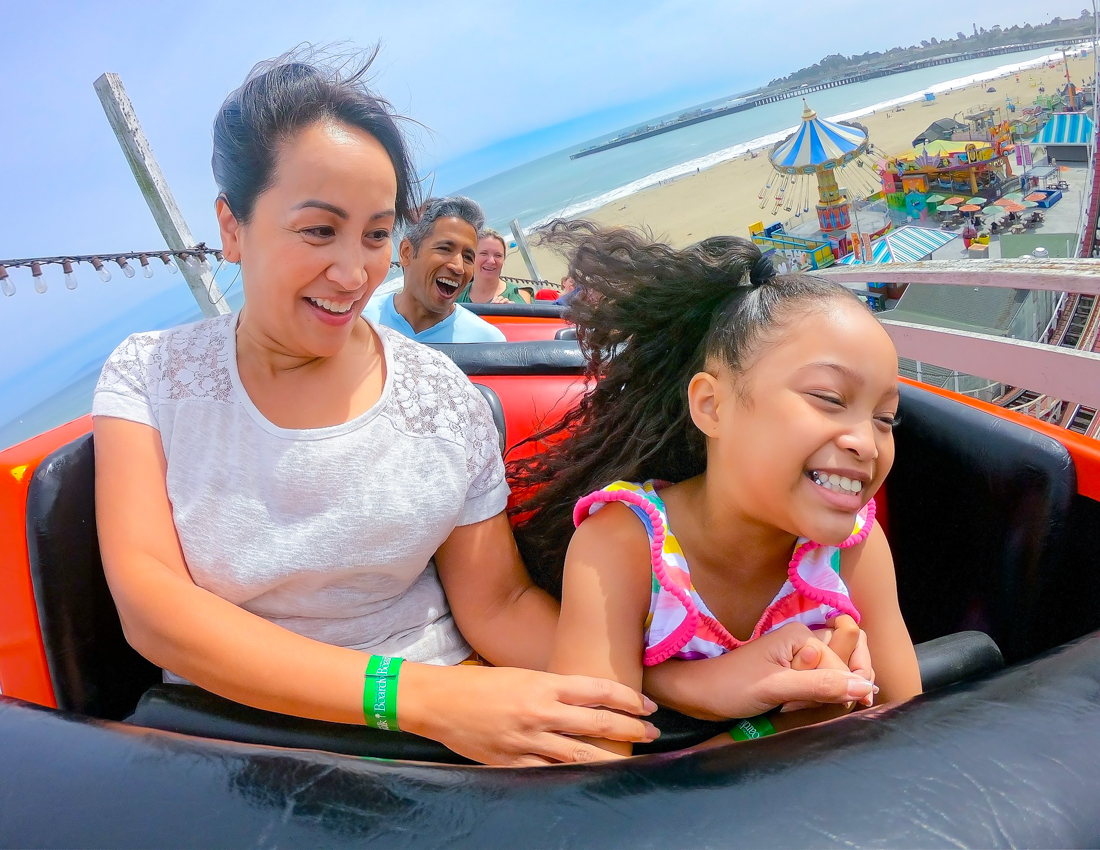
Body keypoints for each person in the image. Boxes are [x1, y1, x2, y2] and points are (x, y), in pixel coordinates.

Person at [92, 52, 876, 768]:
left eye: (375, 235)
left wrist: (687, 682)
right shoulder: (150, 378)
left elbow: (497, 605)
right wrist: (416, 699)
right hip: (238, 748)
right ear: (232, 227)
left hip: (453, 733)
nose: (352, 271)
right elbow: (155, 608)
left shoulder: (440, 398)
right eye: (319, 230)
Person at [512, 223, 921, 756]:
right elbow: (594, 772)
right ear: (712, 406)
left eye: (885, 418)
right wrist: (780, 728)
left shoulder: (855, 546)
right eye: (828, 398)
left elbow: (908, 732)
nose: (866, 443)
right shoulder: (623, 546)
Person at [364, 197, 506, 342]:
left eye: (468, 257)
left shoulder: (486, 342)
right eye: (445, 249)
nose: (458, 267)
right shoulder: (362, 320)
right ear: (406, 252)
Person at [457, 230, 533, 304]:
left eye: (498, 255)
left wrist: (513, 310)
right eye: (484, 253)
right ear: (472, 256)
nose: (491, 261)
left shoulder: (520, 295)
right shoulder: (456, 296)